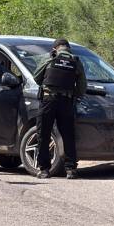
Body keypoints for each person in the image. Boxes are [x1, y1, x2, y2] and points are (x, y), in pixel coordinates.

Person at [33, 38, 87, 179]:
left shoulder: (49, 58)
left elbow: (37, 78)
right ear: (68, 48)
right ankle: (70, 169)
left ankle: (44, 169)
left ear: (55, 48)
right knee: (68, 135)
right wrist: (73, 95)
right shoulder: (75, 60)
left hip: (48, 100)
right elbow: (82, 86)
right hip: (66, 102)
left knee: (43, 134)